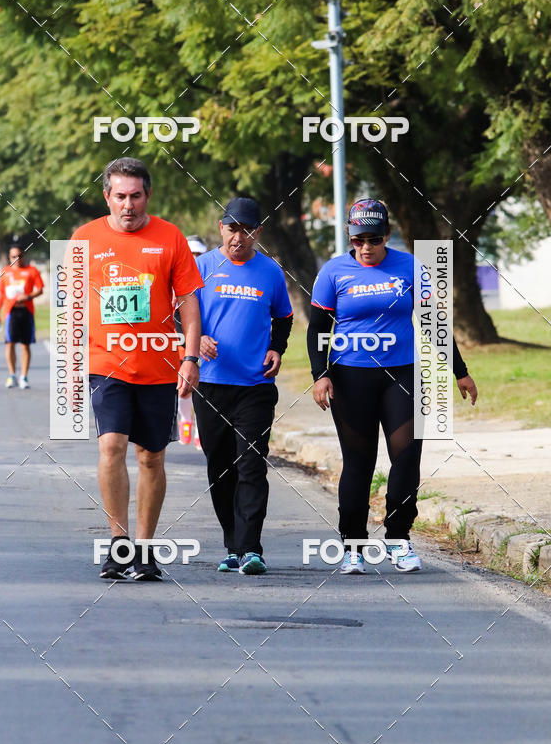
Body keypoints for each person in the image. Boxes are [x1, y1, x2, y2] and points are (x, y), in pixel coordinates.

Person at [307, 198, 478, 575]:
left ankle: (398, 539)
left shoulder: (410, 266)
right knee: (359, 462)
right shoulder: (333, 271)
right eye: (358, 240)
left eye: (374, 239)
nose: (366, 247)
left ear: (387, 235)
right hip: (350, 376)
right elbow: (318, 329)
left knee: (407, 457)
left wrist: (459, 371)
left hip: (402, 375)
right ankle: (353, 545)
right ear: (350, 237)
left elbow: (433, 323)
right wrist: (320, 375)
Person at [70, 157, 203, 582]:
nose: (128, 205)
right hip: (106, 363)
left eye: (136, 196)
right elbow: (71, 306)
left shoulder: (170, 236)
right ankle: (119, 542)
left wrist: (190, 357)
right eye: (120, 196)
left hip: (158, 364)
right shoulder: (84, 237)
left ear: (148, 195)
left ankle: (144, 549)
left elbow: (189, 302)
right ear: (106, 196)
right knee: (111, 446)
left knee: (151, 456)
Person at [194, 197, 293, 575]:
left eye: (247, 230)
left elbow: (284, 318)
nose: (239, 237)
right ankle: (232, 545)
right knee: (220, 468)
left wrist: (276, 348)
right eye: (232, 228)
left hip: (255, 385)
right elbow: (181, 314)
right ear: (221, 228)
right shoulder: (202, 267)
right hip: (211, 385)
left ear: (258, 233)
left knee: (251, 465)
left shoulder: (270, 271)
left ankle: (251, 548)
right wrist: (197, 338)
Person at [0, 245, 44, 388]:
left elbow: (40, 289)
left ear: (23, 256)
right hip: (11, 312)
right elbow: (1, 295)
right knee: (9, 343)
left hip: (26, 311)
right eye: (13, 257)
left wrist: (28, 296)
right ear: (9, 258)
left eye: (19, 256)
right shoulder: (5, 272)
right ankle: (12, 375)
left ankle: (24, 377)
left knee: (25, 345)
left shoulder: (32, 271)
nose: (17, 259)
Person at [176, 235, 208, 449]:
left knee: (203, 384)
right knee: (184, 384)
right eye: (191, 253)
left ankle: (200, 430)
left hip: (207, 338)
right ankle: (186, 421)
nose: (195, 257)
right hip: (182, 337)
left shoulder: (211, 274)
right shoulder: (177, 273)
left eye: (198, 253)